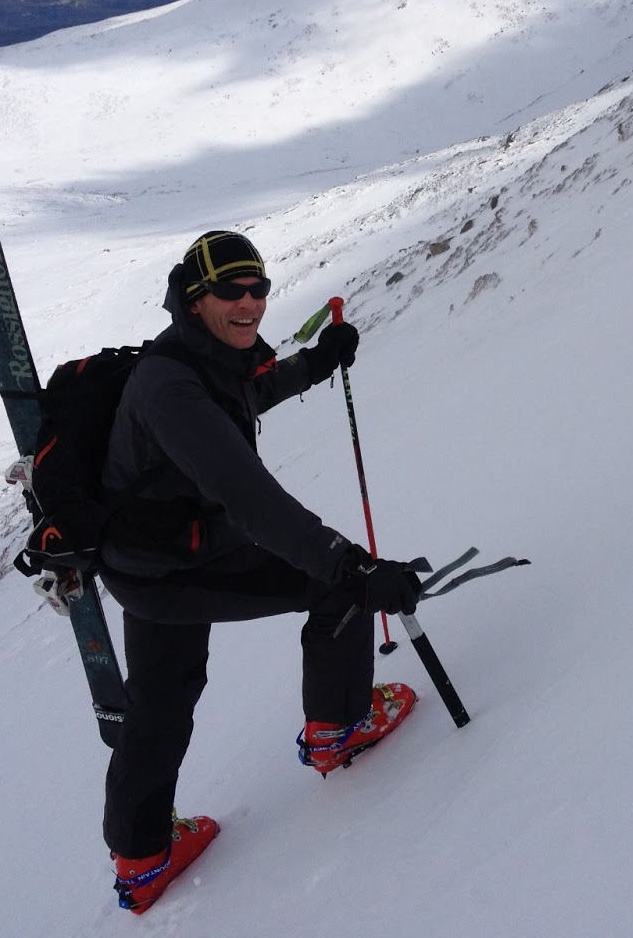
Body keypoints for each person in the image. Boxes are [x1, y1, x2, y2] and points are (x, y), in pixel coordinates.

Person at [96, 229, 423, 914]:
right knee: (333, 584)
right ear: (195, 298)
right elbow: (248, 497)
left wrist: (317, 362)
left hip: (146, 564)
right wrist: (352, 567)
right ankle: (339, 727)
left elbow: (249, 391)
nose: (250, 303)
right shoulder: (171, 387)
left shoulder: (199, 355)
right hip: (184, 560)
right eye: (231, 291)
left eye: (259, 288)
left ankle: (142, 857)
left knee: (161, 698)